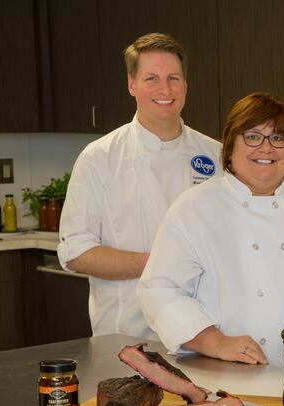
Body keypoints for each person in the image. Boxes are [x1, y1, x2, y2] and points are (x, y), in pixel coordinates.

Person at [137, 93, 284, 365]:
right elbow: (159, 290)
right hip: (225, 374)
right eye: (252, 137)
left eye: (278, 137)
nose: (266, 148)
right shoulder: (194, 209)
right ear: (230, 147)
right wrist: (215, 342)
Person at [57, 33, 221, 339]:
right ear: (131, 85)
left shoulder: (216, 155)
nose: (165, 89)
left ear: (185, 85)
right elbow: (76, 252)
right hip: (126, 335)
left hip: (204, 333)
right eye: (151, 78)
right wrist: (158, 263)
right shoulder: (99, 158)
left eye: (173, 78)